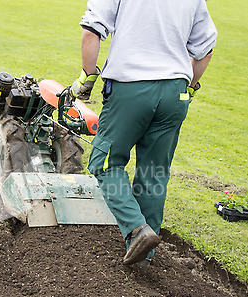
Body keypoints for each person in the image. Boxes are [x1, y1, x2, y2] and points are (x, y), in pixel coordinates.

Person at [71, 0, 217, 265]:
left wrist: (88, 77)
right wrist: (190, 87)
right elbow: (205, 50)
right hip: (176, 91)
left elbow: (92, 30)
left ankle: (137, 229)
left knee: (105, 164)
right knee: (154, 174)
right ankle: (143, 258)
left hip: (130, 88)